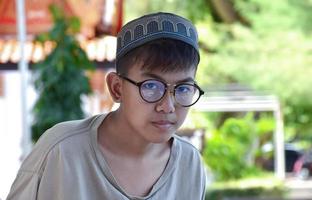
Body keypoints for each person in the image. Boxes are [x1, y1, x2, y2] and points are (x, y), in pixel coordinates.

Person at [7, 12, 206, 200]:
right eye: (151, 86)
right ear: (117, 88)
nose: (168, 106)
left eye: (183, 88)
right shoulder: (60, 151)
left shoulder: (189, 163)